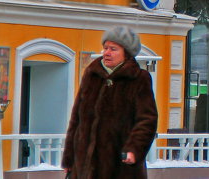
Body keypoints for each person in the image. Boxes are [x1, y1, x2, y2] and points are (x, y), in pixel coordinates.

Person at [63, 26, 158, 179]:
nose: (107, 53)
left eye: (113, 49)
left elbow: (147, 119)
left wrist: (134, 149)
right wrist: (69, 158)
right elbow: (76, 119)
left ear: (126, 53)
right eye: (105, 48)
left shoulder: (139, 79)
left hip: (120, 163)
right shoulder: (91, 75)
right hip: (84, 166)